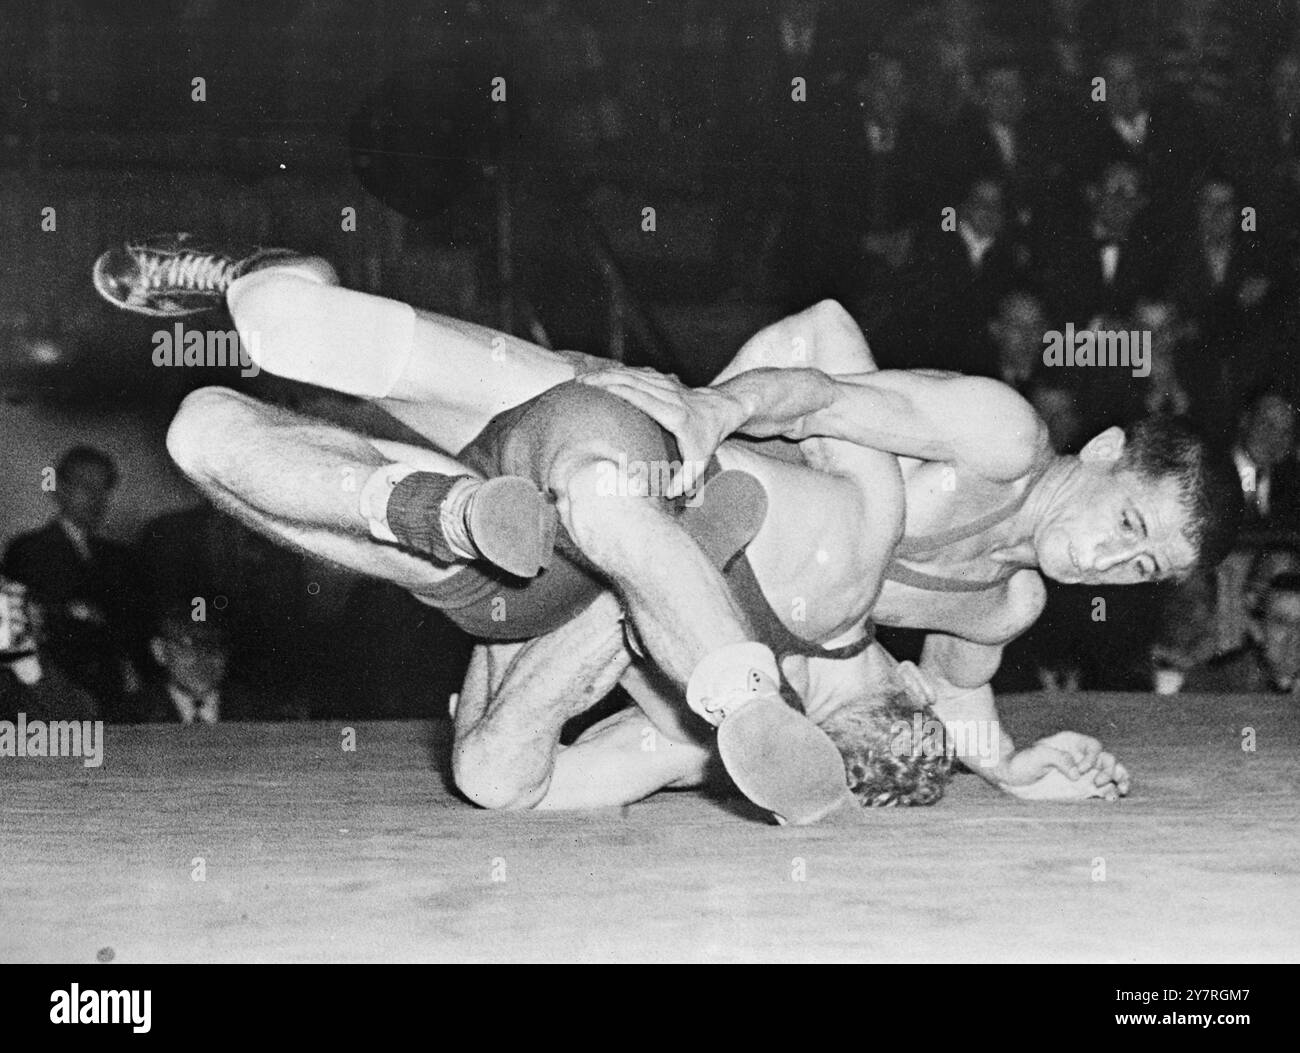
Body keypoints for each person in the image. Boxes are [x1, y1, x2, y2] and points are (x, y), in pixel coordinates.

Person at [94, 239, 1155, 817]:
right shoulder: (896, 521)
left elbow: (965, 697)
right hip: (610, 444)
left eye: (1144, 565)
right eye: (1130, 525)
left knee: (215, 424)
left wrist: (1008, 766)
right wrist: (705, 409)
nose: (1116, 560)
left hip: (530, 555)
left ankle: (410, 485)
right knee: (291, 334)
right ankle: (257, 280)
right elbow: (826, 342)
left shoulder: (990, 602)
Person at [2, 445, 145, 721]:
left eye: (103, 488)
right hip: (51, 686)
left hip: (112, 689)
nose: (97, 498)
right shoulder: (27, 549)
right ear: (60, 490)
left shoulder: (119, 556)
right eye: (86, 486)